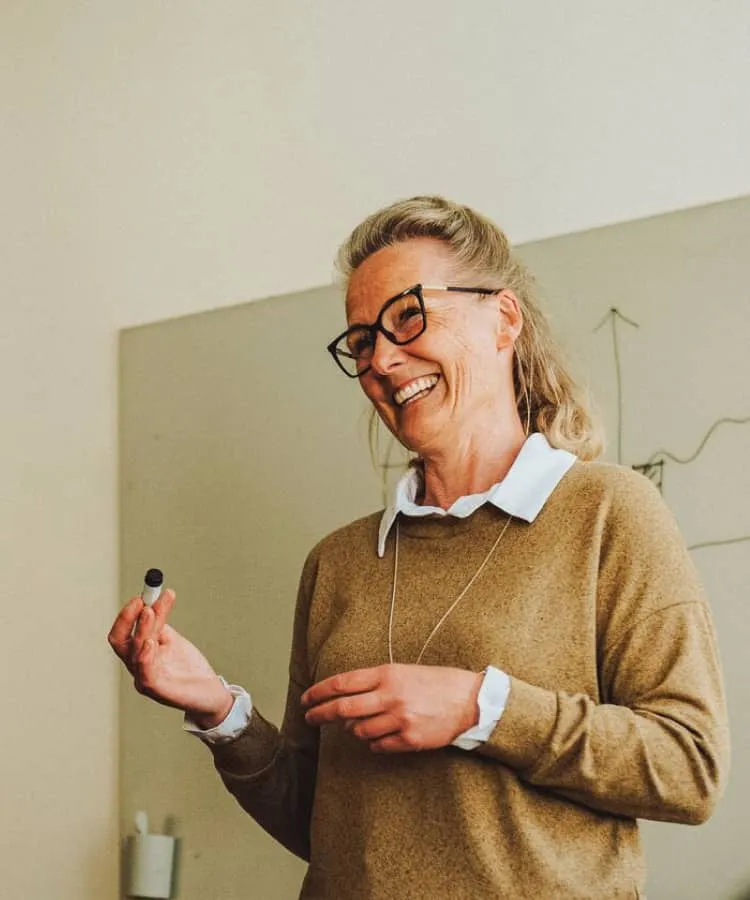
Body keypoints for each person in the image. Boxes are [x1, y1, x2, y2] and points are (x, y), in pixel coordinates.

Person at [109, 196, 730, 899]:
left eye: (408, 316)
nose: (381, 358)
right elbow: (325, 826)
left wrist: (482, 709)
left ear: (504, 319)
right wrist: (220, 711)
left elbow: (690, 766)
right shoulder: (337, 564)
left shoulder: (610, 513)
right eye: (361, 341)